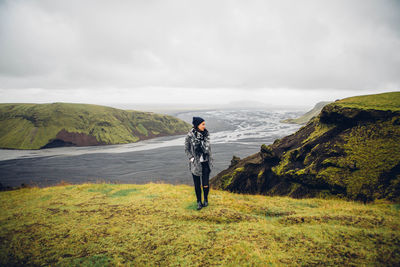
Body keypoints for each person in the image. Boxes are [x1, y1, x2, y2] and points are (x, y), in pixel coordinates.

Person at [184, 116, 214, 210]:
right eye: (203, 124)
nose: (204, 126)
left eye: (204, 124)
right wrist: (191, 158)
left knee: (205, 184)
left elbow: (207, 148)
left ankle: (205, 199)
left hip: (205, 162)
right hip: (196, 164)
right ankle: (199, 202)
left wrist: (209, 157)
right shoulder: (189, 136)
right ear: (197, 125)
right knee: (197, 185)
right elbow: (186, 149)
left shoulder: (206, 134)